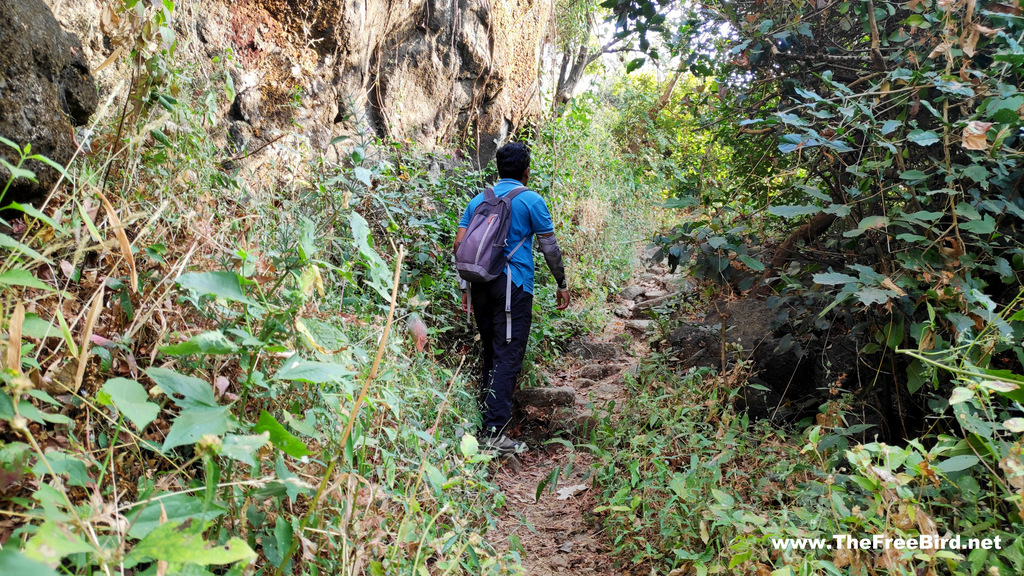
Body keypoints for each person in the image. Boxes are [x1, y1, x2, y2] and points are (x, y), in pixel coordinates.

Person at [454, 142, 570, 455]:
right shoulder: (531, 200)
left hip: (479, 283)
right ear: (526, 171)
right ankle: (494, 435)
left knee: (493, 352)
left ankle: (487, 425)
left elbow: (460, 245)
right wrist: (561, 283)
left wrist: (465, 288)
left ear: (499, 169)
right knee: (508, 354)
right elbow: (550, 248)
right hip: (511, 286)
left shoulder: (479, 199)